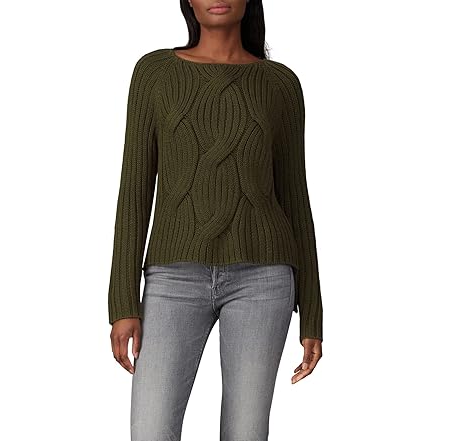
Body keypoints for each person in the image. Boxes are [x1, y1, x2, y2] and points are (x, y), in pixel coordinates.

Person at [108, 0, 323, 439]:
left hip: (264, 279)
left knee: (246, 432)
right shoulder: (155, 74)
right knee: (150, 430)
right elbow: (134, 190)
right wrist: (122, 302)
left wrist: (313, 313)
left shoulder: (279, 84)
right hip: (173, 278)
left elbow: (295, 197)